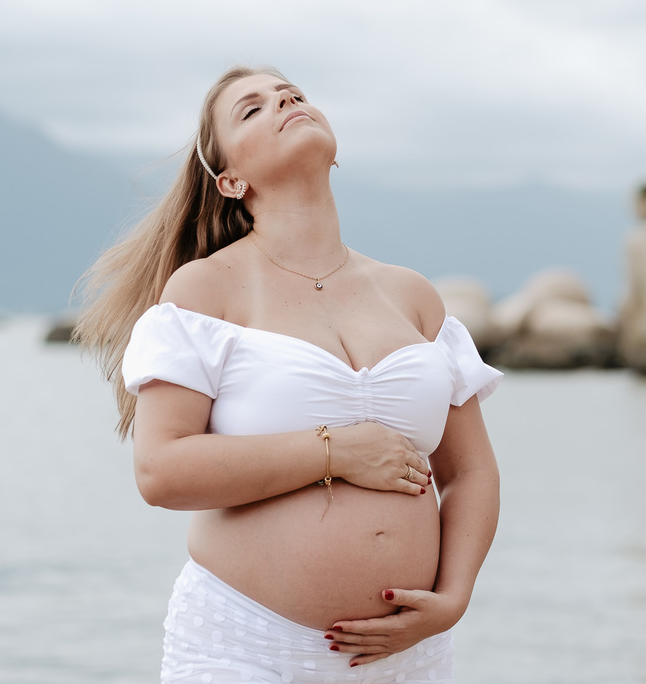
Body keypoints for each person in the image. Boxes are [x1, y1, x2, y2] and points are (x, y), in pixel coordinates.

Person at [75, 65, 502, 683]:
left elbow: (469, 472)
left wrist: (453, 600)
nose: (284, 100)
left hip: (407, 656)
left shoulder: (412, 295)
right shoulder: (204, 290)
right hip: (245, 647)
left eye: (292, 94)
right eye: (251, 109)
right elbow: (160, 471)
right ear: (230, 180)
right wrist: (335, 451)